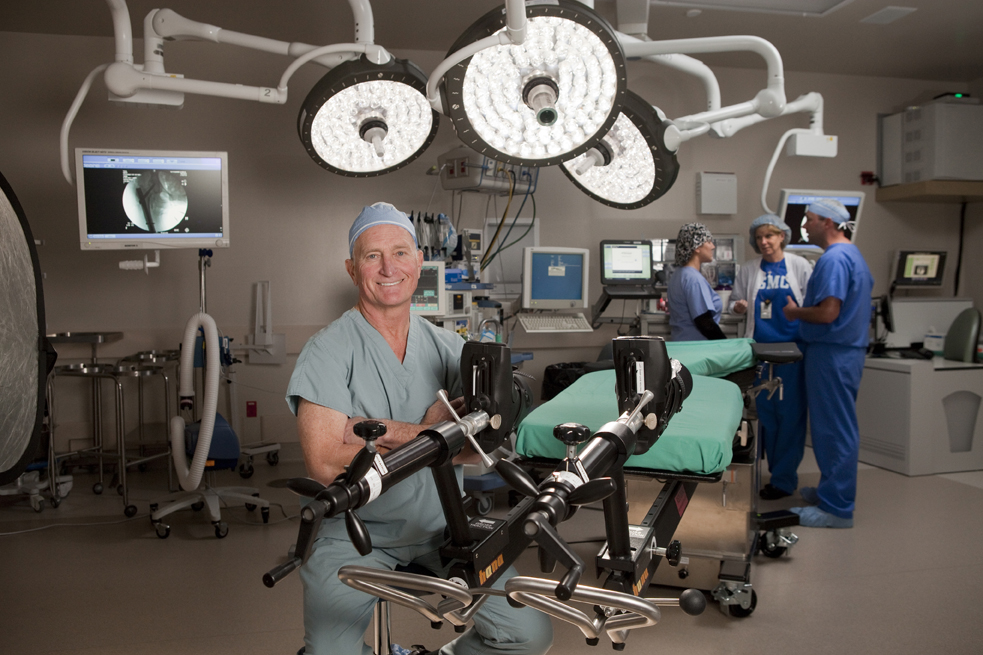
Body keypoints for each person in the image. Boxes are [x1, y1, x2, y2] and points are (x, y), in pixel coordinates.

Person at [285, 203, 553, 655]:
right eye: (372, 256)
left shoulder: (451, 348)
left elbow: (476, 449)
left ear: (419, 263)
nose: (388, 267)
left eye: (400, 253)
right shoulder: (328, 351)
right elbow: (325, 462)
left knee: (529, 634)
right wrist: (427, 431)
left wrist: (371, 430)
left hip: (443, 531)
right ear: (353, 269)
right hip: (353, 534)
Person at [783, 199, 873, 529]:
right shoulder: (851, 255)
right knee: (829, 428)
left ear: (828, 222)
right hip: (839, 351)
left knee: (835, 430)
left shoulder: (835, 259)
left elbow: (827, 312)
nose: (803, 226)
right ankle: (829, 490)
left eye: (808, 219)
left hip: (833, 352)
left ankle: (837, 508)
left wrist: (794, 312)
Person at [730, 214, 812, 500]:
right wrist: (738, 307)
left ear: (781, 237)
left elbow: (811, 305)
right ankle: (770, 473)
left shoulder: (800, 266)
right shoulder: (750, 269)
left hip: (792, 353)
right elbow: (735, 304)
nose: (764, 241)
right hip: (761, 352)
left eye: (769, 235)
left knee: (790, 417)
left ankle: (784, 479)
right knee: (767, 416)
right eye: (759, 237)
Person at [667, 223, 725, 341]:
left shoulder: (678, 274)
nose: (713, 246)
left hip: (682, 343)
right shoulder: (694, 279)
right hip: (696, 346)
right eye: (708, 242)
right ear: (697, 247)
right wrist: (725, 345)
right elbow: (704, 322)